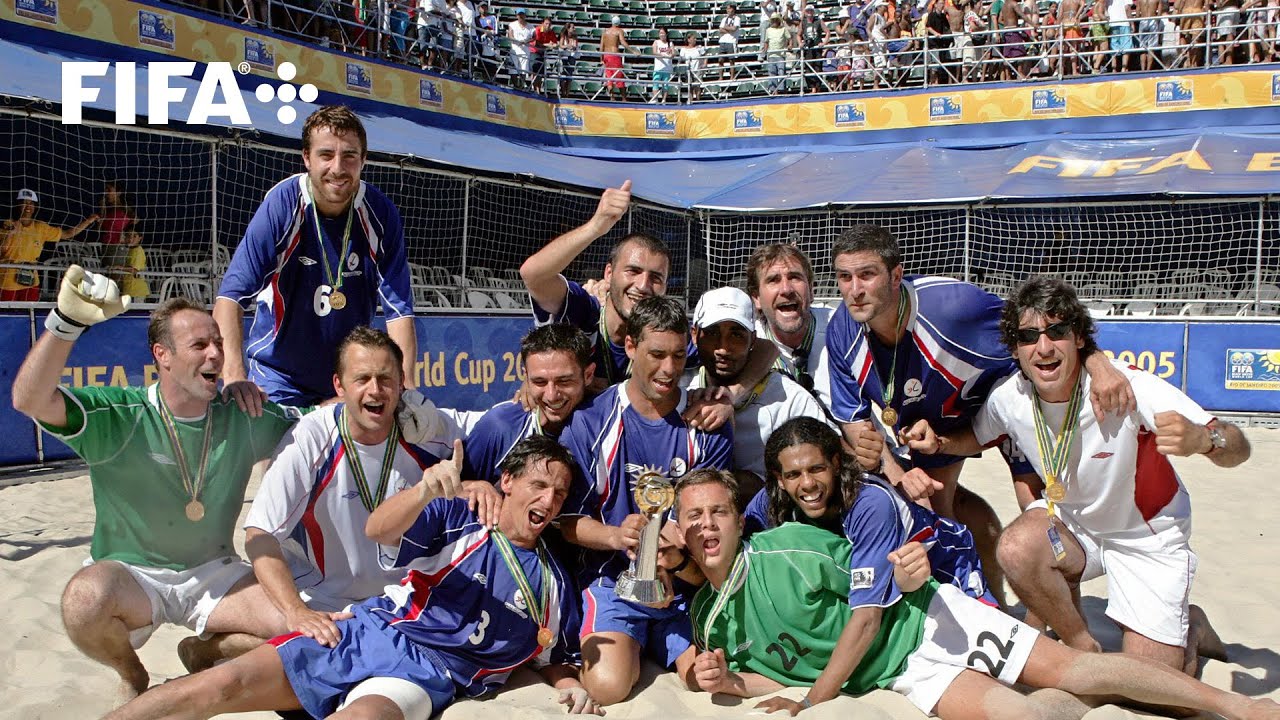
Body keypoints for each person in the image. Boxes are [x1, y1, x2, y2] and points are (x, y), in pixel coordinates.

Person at [679, 469, 1280, 720]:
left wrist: (813, 701)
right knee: (1020, 713)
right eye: (693, 517)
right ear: (678, 529)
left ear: (739, 519)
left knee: (1072, 670)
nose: (707, 526)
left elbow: (877, 596)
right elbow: (771, 673)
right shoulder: (708, 618)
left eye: (718, 513)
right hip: (901, 678)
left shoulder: (790, 546)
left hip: (928, 621)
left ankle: (1239, 708)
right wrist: (729, 684)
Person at [103, 435, 606, 720]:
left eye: (559, 494)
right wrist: (425, 491)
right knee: (218, 688)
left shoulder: (556, 584)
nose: (547, 500)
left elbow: (548, 655)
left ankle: (235, 654)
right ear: (509, 482)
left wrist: (569, 684)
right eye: (538, 485)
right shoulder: (459, 516)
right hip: (370, 631)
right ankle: (216, 656)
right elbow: (377, 528)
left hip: (427, 674)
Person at [906, 277, 1247, 675]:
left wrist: (1204, 441)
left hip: (1145, 534)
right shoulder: (1009, 397)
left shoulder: (1124, 386)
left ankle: (1191, 628)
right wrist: (940, 442)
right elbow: (976, 437)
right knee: (1017, 547)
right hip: (1075, 526)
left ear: (1079, 338)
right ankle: (1081, 644)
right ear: (1015, 348)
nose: (1044, 347)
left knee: (1158, 686)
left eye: (1058, 331)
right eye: (1029, 335)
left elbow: (1237, 448)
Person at [11, 268, 300, 704]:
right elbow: (29, 400)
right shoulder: (122, 413)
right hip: (133, 574)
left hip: (213, 573)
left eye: (218, 343)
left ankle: (204, 651)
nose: (215, 355)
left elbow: (321, 422)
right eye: (199, 345)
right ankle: (132, 672)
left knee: (299, 629)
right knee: (83, 602)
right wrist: (64, 324)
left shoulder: (241, 412)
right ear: (162, 355)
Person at [825, 224, 1133, 608]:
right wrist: (898, 472)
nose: (854, 290)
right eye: (844, 277)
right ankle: (994, 608)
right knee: (934, 509)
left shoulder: (952, 308)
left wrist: (1097, 361)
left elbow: (1043, 329)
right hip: (935, 422)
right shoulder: (841, 329)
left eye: (867, 275)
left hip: (1005, 399)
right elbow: (857, 424)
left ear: (896, 275)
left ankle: (1064, 625)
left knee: (1041, 514)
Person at [176, 326, 464, 672]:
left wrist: (482, 482)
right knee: (325, 655)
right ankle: (210, 650)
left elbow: (507, 431)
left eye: (386, 379)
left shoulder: (429, 428)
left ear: (402, 382)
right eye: (362, 379)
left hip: (402, 599)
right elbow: (260, 536)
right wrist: (296, 611)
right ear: (339, 386)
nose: (376, 390)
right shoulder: (310, 436)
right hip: (325, 598)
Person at [558, 296, 734, 706]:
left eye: (677, 355)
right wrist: (617, 536)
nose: (669, 369)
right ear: (631, 347)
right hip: (612, 580)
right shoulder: (589, 421)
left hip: (685, 587)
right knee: (608, 687)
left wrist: (678, 557)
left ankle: (654, 642)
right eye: (656, 354)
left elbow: (715, 519)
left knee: (703, 679)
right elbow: (567, 520)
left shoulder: (706, 425)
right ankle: (631, 644)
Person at [519, 181, 776, 427]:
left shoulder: (666, 337)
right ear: (608, 273)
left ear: (665, 287)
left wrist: (730, 395)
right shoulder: (583, 310)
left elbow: (766, 349)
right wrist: (597, 226)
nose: (642, 286)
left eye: (655, 277)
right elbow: (533, 274)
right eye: (632, 271)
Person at [214, 106, 417, 409]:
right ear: (306, 158)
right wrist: (233, 377)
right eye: (326, 155)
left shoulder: (380, 212)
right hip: (278, 379)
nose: (338, 167)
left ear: (363, 161)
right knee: (272, 457)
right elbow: (230, 298)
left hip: (347, 382)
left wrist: (406, 387)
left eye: (349, 155)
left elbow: (399, 311)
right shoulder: (282, 205)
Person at [745, 415, 995, 606]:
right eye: (793, 474)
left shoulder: (869, 502)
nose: (807, 483)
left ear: (835, 463)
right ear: (779, 478)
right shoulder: (772, 499)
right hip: (895, 583)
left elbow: (868, 613)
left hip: (948, 570)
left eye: (817, 468)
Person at [688, 287, 828, 486]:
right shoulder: (681, 388)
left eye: (736, 335)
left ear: (753, 339)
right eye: (712, 333)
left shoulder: (789, 399)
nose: (723, 347)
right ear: (694, 335)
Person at [461, 323, 594, 485]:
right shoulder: (499, 427)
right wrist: (476, 487)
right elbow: (456, 490)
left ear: (588, 375)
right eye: (539, 382)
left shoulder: (606, 421)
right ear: (526, 377)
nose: (552, 396)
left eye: (564, 381)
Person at [745, 243, 835, 414]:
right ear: (756, 298)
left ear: (812, 290)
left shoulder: (842, 328)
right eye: (773, 280)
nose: (786, 289)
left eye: (795, 277)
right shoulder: (745, 342)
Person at [1, 188, 99, 302]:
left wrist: (88, 221)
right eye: (24, 202)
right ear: (17, 205)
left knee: (30, 314)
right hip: (7, 280)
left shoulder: (41, 228)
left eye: (31, 203)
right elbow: (2, 251)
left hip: (31, 280)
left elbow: (68, 234)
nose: (28, 206)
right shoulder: (7, 225)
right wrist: (10, 233)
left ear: (35, 207)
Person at [105, 227, 150, 301]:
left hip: (136, 291)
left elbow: (134, 270)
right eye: (128, 236)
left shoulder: (137, 251)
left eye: (134, 236)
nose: (130, 239)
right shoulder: (131, 250)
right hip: (129, 289)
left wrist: (118, 267)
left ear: (140, 238)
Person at [601, 15, 634, 100]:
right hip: (614, 55)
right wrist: (633, 51)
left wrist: (601, 59)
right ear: (619, 23)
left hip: (606, 55)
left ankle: (612, 97)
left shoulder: (605, 32)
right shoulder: (619, 31)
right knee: (619, 77)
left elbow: (601, 47)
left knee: (609, 76)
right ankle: (624, 99)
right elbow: (622, 42)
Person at [679, 31, 708, 100]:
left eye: (695, 38)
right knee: (690, 86)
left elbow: (705, 55)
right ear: (688, 40)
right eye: (693, 38)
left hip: (697, 69)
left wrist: (704, 63)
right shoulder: (683, 49)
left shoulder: (699, 48)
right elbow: (680, 60)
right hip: (688, 70)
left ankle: (698, 100)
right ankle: (690, 100)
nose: (695, 40)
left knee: (697, 86)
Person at [650, 27, 676, 103]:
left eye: (663, 33)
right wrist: (661, 54)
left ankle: (664, 99)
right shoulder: (656, 42)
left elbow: (673, 53)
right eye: (660, 33)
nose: (661, 35)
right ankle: (655, 99)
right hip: (658, 67)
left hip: (667, 67)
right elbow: (654, 52)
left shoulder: (670, 43)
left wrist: (671, 54)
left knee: (665, 85)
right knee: (656, 83)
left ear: (666, 34)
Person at [718, 3, 743, 80]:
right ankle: (721, 77)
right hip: (723, 41)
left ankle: (732, 77)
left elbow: (734, 29)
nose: (727, 10)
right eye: (727, 9)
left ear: (733, 9)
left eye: (729, 8)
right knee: (720, 60)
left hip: (731, 41)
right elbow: (720, 30)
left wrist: (726, 28)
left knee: (731, 60)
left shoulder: (737, 19)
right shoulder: (724, 19)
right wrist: (729, 29)